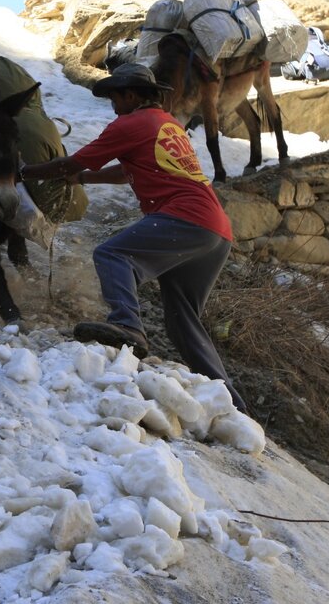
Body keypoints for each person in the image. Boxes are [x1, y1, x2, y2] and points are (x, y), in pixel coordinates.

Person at [20, 62, 248, 413]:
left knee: (113, 255)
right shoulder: (166, 124)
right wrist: (82, 182)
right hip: (215, 230)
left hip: (184, 217)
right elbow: (127, 172)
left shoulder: (132, 123)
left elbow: (74, 162)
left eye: (115, 97)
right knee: (182, 319)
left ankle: (127, 325)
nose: (113, 105)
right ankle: (231, 403)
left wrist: (24, 173)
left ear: (130, 95)